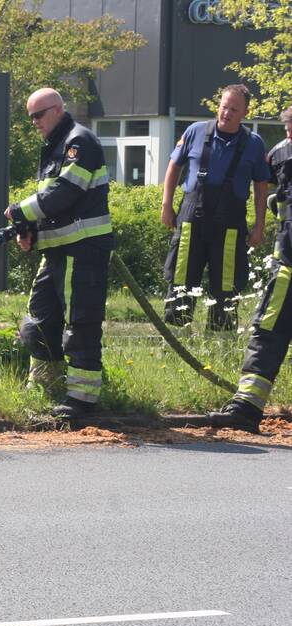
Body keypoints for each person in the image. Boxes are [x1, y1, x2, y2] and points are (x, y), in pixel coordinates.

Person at [5, 88, 114, 419]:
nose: (34, 122)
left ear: (57, 110)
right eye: (30, 117)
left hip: (82, 252)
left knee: (79, 324)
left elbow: (64, 193)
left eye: (38, 115)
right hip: (56, 251)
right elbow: (52, 206)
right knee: (39, 321)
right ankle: (44, 386)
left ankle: (81, 400)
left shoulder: (79, 143)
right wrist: (31, 232)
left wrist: (18, 211)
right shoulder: (54, 146)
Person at [208, 106, 292, 433]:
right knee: (268, 331)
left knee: (268, 332)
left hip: (288, 261)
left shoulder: (281, 152)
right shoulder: (282, 153)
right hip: (287, 263)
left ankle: (245, 408)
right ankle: (245, 407)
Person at [161, 84, 271, 331]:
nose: (226, 113)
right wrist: (167, 205)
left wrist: (259, 226)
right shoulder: (194, 132)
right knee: (180, 279)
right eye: (223, 107)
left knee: (226, 284)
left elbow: (262, 187)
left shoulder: (253, 143)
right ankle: (177, 336)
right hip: (191, 219)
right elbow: (173, 168)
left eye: (234, 109)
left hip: (230, 225)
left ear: (245, 112)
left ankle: (221, 340)